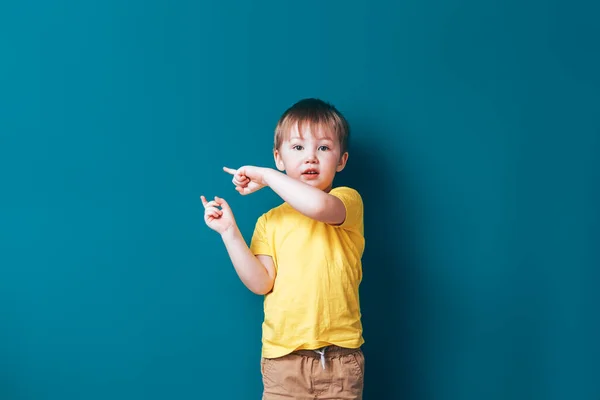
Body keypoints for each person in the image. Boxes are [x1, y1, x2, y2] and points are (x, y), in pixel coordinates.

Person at [201, 98, 365, 399]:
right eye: (298, 148)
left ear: (341, 160)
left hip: (340, 361)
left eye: (324, 148)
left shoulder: (346, 200)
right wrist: (229, 232)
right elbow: (261, 282)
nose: (311, 158)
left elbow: (316, 205)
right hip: (283, 363)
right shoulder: (270, 222)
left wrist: (266, 177)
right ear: (280, 157)